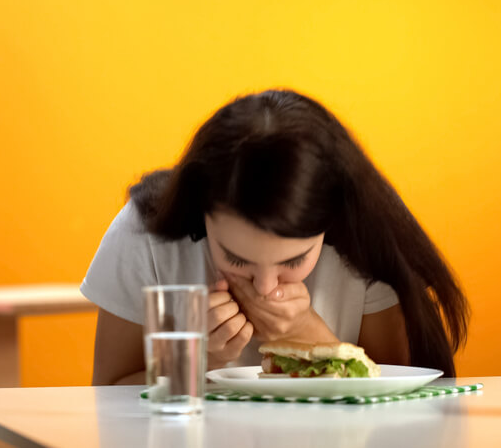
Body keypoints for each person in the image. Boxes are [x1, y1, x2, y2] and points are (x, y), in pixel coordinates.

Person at [81, 89, 469, 385]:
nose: (266, 287)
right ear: (200, 215)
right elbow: (108, 396)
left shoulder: (367, 230)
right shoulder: (146, 232)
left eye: (293, 261)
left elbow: (410, 408)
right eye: (235, 257)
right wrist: (192, 361)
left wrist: (307, 336)